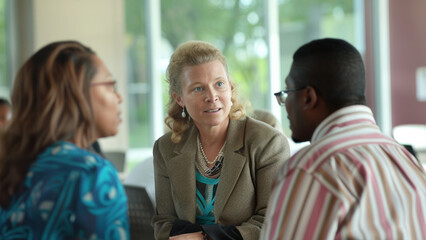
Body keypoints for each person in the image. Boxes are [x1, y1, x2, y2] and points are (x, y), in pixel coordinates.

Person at [261, 38, 426, 239]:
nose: (285, 104)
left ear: (308, 97)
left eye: (287, 92)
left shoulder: (312, 168)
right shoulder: (406, 160)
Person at [152, 40, 290, 240]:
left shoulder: (268, 143)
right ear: (179, 98)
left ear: (230, 87)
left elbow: (273, 220)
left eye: (219, 84)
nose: (212, 96)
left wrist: (206, 238)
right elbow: (163, 223)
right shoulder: (165, 148)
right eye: (198, 89)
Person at [0, 41, 129, 239]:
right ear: (77, 92)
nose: (119, 97)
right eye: (110, 84)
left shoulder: (10, 166)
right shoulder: (91, 173)